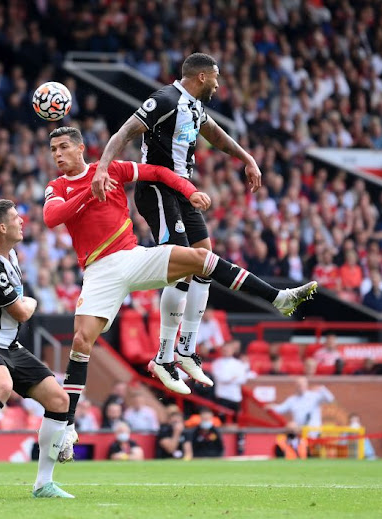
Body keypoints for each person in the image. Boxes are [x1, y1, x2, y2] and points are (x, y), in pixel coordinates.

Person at [43, 126, 317, 462]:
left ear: (81, 148)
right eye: (53, 149)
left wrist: (189, 190)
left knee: (201, 259)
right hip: (99, 272)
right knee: (81, 343)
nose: (58, 154)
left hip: (133, 257)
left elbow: (156, 171)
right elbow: (51, 217)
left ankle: (278, 298)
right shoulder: (57, 187)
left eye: (64, 147)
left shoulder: (112, 168)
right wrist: (90, 191)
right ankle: (67, 427)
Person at [91, 53, 302, 391]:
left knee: (203, 260)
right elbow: (125, 132)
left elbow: (215, 134)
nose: (219, 85)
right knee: (182, 264)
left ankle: (185, 349)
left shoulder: (193, 106)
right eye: (216, 78)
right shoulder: (165, 100)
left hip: (183, 191)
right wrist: (102, 168)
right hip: (158, 190)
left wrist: (247, 158)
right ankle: (163, 356)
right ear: (202, 77)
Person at [0, 199, 73, 498]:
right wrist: (30, 303)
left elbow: (18, 306)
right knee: (1, 384)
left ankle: (44, 483)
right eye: (17, 218)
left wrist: (25, 303)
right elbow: (21, 311)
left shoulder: (11, 255)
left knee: (59, 400)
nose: (22, 221)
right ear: (2, 227)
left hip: (10, 344)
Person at [267, 377, 335, 429]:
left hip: (314, 432)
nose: (300, 387)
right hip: (300, 433)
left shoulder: (314, 396)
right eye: (299, 385)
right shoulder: (292, 400)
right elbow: (281, 409)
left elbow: (330, 399)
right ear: (295, 386)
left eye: (302, 385)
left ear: (306, 385)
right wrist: (272, 407)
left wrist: (322, 389)